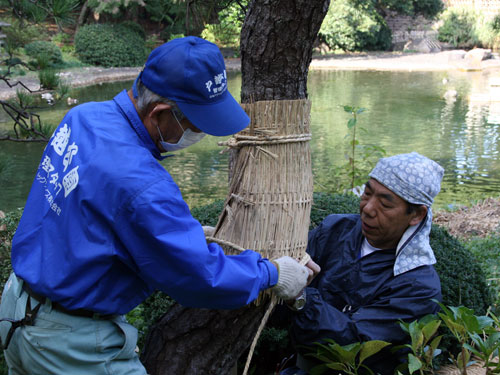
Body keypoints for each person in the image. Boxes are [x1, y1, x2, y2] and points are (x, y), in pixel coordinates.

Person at [0, 36, 318, 375]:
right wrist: (272, 273)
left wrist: (184, 234)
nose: (201, 135)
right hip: (69, 344)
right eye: (196, 126)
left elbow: (89, 214)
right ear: (161, 113)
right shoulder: (142, 183)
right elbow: (199, 277)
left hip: (17, 306)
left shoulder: (84, 118)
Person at [281, 152, 444, 375]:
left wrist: (300, 298)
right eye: (367, 193)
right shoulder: (335, 229)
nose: (367, 209)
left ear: (416, 215)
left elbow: (351, 344)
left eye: (385, 204)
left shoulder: (418, 286)